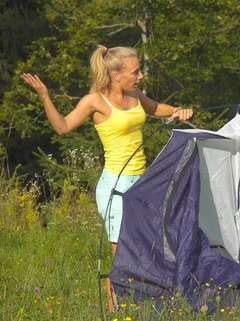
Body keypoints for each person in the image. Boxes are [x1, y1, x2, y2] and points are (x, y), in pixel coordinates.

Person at [21, 45, 194, 255]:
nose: (141, 75)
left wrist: (177, 111)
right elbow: (62, 127)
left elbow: (155, 108)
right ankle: (118, 289)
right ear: (116, 76)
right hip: (115, 184)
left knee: (147, 248)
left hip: (141, 180)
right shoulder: (94, 101)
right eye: (135, 72)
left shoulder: (134, 93)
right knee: (123, 255)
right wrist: (44, 96)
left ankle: (137, 289)